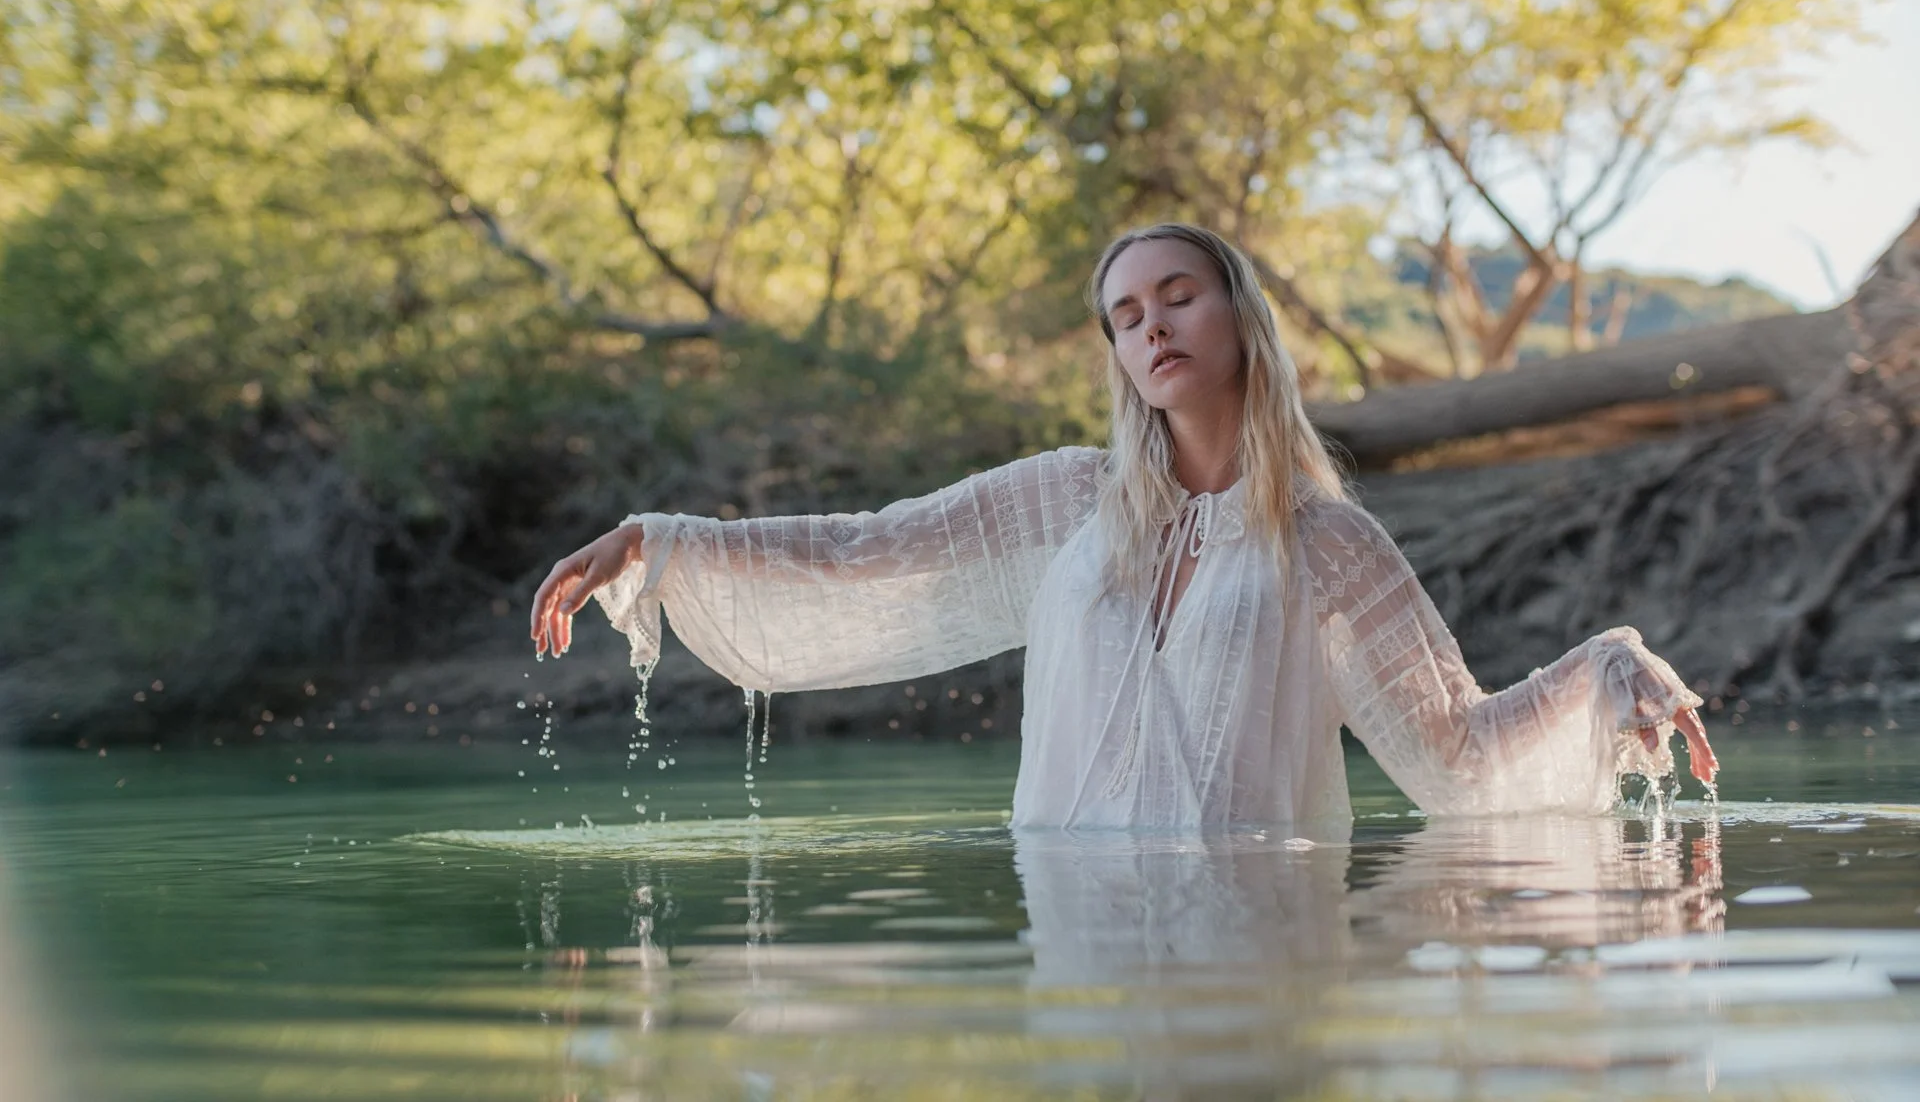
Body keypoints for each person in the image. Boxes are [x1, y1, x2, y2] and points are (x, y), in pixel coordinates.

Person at [529, 223, 1718, 831]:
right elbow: (866, 548)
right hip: (1076, 895)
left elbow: (1459, 757)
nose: (1150, 325)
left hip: (1266, 924)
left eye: (1177, 295)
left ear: (1242, 317)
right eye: (1125, 314)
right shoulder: (1062, 498)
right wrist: (656, 539)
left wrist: (1610, 669)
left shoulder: (1332, 544)